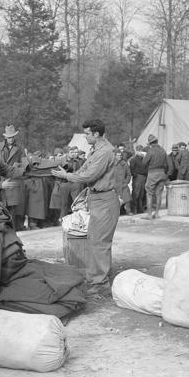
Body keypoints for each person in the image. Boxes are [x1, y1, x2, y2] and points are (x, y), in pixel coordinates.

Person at [51, 119, 119, 293]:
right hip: (97, 199)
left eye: (87, 134)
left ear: (96, 134)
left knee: (99, 242)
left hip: (104, 200)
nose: (85, 137)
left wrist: (67, 176)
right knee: (95, 240)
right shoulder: (96, 149)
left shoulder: (104, 152)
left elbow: (90, 175)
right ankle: (96, 278)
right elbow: (85, 169)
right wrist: (70, 173)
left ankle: (100, 284)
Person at [0, 124, 28, 230]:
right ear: (5, 137)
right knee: (1, 205)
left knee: (13, 206)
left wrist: (18, 167)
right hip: (1, 179)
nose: (11, 139)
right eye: (9, 137)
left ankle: (13, 228)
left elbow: (24, 163)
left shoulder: (20, 148)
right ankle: (2, 227)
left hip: (14, 178)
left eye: (12, 137)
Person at [142, 134, 172, 219]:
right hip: (162, 173)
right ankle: (157, 214)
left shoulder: (150, 151)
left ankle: (149, 215)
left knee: (149, 194)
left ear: (150, 143)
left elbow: (144, 163)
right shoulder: (163, 150)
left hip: (152, 173)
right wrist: (167, 174)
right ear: (157, 141)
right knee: (159, 194)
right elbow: (169, 165)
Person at [129, 145, 148, 214]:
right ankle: (134, 209)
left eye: (141, 150)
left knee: (141, 194)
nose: (141, 152)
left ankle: (140, 209)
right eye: (139, 150)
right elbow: (131, 169)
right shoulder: (133, 159)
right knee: (136, 194)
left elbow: (146, 167)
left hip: (144, 177)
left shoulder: (144, 159)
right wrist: (135, 175)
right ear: (136, 151)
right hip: (137, 178)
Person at [114, 150, 133, 215]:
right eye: (118, 155)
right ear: (115, 156)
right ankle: (117, 212)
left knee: (127, 198)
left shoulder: (124, 164)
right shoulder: (112, 164)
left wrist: (126, 182)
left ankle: (128, 211)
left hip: (123, 184)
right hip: (115, 185)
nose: (119, 157)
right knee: (115, 200)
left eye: (120, 155)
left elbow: (129, 174)